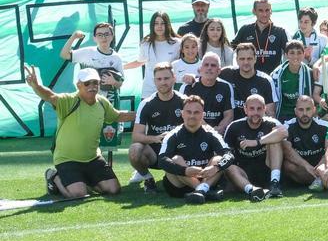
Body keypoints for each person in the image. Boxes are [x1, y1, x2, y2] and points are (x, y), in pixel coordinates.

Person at [27, 66, 134, 199]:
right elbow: (50, 96)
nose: (92, 86)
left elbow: (117, 115)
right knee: (79, 194)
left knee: (114, 189)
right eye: (87, 83)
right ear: (78, 85)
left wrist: (142, 113)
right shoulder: (69, 100)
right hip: (67, 159)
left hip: (93, 158)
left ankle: (83, 180)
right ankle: (54, 177)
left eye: (95, 82)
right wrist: (36, 86)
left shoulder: (102, 102)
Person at [156, 95, 234, 204]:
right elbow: (162, 160)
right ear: (182, 114)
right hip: (180, 184)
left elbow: (229, 155)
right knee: (176, 159)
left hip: (206, 179)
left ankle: (201, 190)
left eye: (196, 112)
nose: (192, 116)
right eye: (189, 112)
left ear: (203, 115)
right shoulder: (173, 135)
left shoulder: (211, 133)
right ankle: (202, 190)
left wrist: (216, 167)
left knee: (218, 159)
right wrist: (185, 170)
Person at [128, 63, 184, 191]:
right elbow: (136, 135)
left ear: (174, 78)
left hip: (179, 150)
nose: (163, 82)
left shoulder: (183, 101)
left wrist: (174, 136)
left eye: (166, 78)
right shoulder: (146, 103)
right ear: (154, 81)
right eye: (159, 79)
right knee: (135, 150)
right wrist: (156, 138)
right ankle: (147, 178)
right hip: (155, 153)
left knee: (179, 186)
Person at [223, 94, 285, 201]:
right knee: (229, 166)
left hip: (266, 169)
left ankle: (275, 183)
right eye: (252, 108)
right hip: (244, 174)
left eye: (259, 108)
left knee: (275, 140)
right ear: (245, 109)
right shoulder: (234, 126)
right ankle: (252, 190)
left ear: (265, 109)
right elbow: (225, 153)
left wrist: (257, 142)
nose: (255, 112)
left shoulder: (272, 123)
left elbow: (284, 132)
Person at [281, 95, 328, 190]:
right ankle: (320, 181)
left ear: (314, 109)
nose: (305, 113)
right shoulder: (288, 126)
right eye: (301, 110)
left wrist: (319, 167)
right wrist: (307, 166)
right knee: (287, 165)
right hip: (302, 168)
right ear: (295, 111)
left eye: (308, 109)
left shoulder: (325, 126)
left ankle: (320, 179)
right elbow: (287, 150)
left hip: (321, 167)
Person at [219, 43, 276, 121]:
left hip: (255, 125)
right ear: (236, 60)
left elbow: (270, 114)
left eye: (249, 59)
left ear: (255, 59)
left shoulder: (265, 80)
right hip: (229, 125)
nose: (246, 62)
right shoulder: (225, 74)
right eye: (242, 59)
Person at [234, 0, 289, 72]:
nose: (264, 14)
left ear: (271, 11)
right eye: (260, 10)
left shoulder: (280, 31)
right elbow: (231, 48)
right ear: (254, 11)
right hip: (249, 76)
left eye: (267, 10)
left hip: (273, 77)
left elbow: (290, 51)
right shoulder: (245, 30)